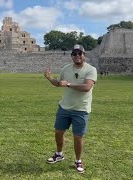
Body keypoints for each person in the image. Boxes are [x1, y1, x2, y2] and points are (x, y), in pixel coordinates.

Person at [44, 44, 97, 173]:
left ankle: (78, 160)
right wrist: (50, 78)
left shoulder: (91, 69)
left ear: (84, 55)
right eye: (74, 54)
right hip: (64, 107)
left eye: (80, 54)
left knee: (78, 137)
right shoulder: (66, 69)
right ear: (71, 56)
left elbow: (87, 87)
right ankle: (59, 154)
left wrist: (67, 84)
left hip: (81, 109)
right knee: (58, 133)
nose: (77, 56)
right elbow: (58, 83)